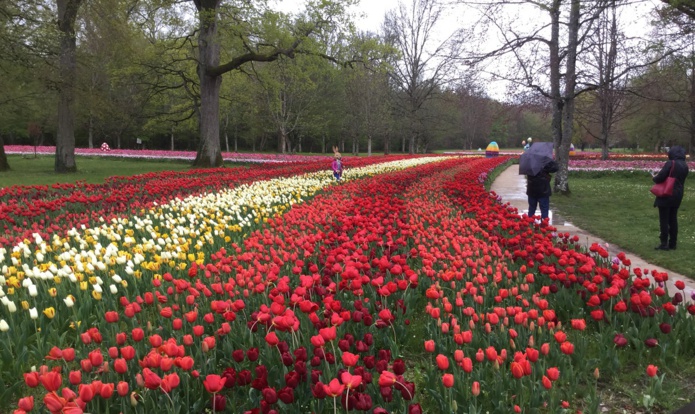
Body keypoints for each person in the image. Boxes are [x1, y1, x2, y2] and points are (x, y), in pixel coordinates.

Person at [652, 145, 689, 250]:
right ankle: (673, 243)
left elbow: (661, 177)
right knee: (673, 219)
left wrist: (654, 178)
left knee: (664, 219)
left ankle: (664, 244)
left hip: (667, 193)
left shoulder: (671, 163)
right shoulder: (684, 165)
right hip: (678, 194)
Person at [526, 156, 558, 221]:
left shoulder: (529, 160)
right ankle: (544, 227)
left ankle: (529, 225)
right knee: (544, 209)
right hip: (543, 190)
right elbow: (555, 168)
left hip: (532, 189)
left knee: (531, 209)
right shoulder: (545, 160)